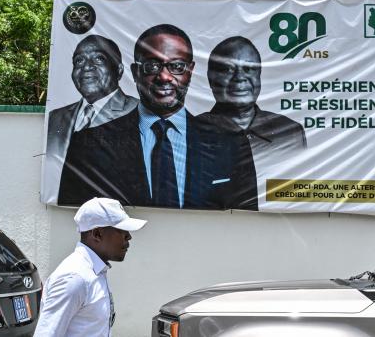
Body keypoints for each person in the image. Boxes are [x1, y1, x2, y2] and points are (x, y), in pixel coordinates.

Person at [58, 24, 257, 210]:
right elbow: (78, 221)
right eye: (152, 66)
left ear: (190, 71)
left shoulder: (231, 144)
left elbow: (244, 223)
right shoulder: (88, 145)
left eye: (177, 66)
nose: (164, 77)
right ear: (135, 72)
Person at [44, 35, 138, 203]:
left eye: (99, 59)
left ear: (119, 70)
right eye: (79, 61)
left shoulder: (139, 112)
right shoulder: (56, 118)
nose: (87, 67)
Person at [34, 197, 147, 337]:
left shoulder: (95, 271)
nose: (129, 237)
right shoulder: (74, 278)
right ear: (97, 234)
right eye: (122, 230)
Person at [198, 36, 306, 155]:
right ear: (211, 78)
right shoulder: (191, 132)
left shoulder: (290, 132)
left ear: (259, 75)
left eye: (249, 69)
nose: (239, 78)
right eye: (228, 69)